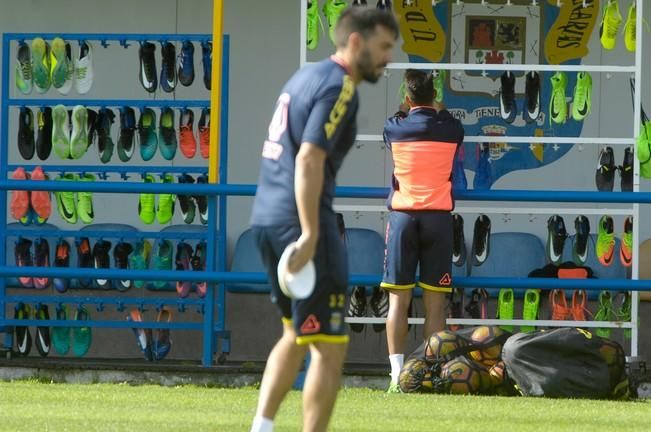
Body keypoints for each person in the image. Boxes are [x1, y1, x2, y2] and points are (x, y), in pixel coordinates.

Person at [249, 8, 398, 432]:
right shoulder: (340, 88)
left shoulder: (303, 77)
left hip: (267, 219)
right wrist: (313, 232)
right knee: (329, 348)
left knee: (295, 335)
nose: (388, 59)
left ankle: (261, 427)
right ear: (356, 42)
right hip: (302, 224)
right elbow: (309, 158)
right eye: (384, 47)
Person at [381, 69, 465, 393]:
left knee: (397, 303)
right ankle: (428, 374)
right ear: (435, 96)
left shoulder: (395, 126)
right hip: (438, 220)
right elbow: (448, 120)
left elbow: (396, 118)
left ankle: (396, 377)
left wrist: (409, 107)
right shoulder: (450, 128)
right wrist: (439, 107)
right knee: (435, 305)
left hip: (403, 218)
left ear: (407, 97)